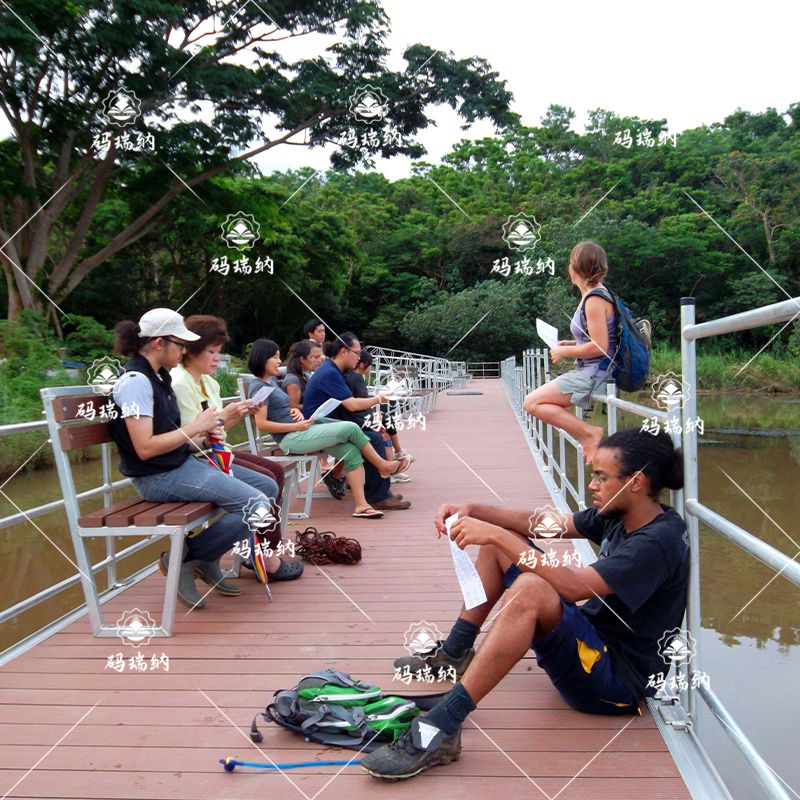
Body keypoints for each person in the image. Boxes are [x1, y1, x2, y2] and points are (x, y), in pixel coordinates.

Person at [361, 428, 688, 780]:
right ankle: (456, 652)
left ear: (636, 482)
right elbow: (544, 524)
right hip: (591, 644)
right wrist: (475, 511)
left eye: (601, 477)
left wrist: (495, 533)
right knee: (502, 546)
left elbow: (574, 587)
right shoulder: (620, 512)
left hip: (614, 684)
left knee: (532, 586)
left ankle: (443, 724)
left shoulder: (657, 541)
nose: (592, 484)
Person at [108, 308, 280, 609]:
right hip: (157, 477)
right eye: (180, 343)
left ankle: (205, 558)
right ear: (159, 343)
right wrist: (196, 427)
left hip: (180, 464)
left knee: (266, 489)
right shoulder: (136, 381)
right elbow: (145, 448)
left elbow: (175, 437)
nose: (184, 349)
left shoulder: (157, 377)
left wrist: (203, 435)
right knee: (257, 504)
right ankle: (189, 558)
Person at [170, 314, 302, 582]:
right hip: (198, 458)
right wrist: (224, 416)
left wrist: (237, 414)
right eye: (211, 351)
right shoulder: (179, 382)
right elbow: (191, 440)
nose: (217, 358)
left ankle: (263, 552)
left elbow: (216, 432)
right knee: (266, 485)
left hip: (216, 451)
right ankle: (264, 557)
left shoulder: (210, 382)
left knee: (274, 472)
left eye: (219, 351)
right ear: (191, 350)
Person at [248, 338, 410, 519]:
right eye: (274, 357)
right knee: (351, 428)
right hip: (290, 438)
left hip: (300, 429)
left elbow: (281, 409)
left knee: (350, 450)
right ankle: (383, 465)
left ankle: (361, 506)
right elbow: (261, 424)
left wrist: (294, 411)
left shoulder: (269, 383)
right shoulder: (257, 387)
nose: (279, 361)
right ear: (262, 358)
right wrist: (295, 425)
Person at [522, 240, 617, 464]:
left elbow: (600, 347)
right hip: (592, 370)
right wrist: (569, 344)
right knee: (533, 402)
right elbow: (595, 340)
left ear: (576, 267)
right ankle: (587, 434)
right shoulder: (595, 294)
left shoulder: (594, 299)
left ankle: (589, 433)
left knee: (531, 403)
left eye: (570, 262)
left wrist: (565, 354)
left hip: (594, 374)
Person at [304, 332, 411, 511]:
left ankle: (380, 492)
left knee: (371, 435)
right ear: (344, 351)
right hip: (318, 429)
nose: (359, 357)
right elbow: (352, 405)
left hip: (329, 424)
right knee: (373, 438)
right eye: (357, 353)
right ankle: (378, 494)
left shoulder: (334, 370)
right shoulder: (330, 373)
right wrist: (379, 399)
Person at [343, 351, 413, 484]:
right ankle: (393, 464)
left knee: (386, 420)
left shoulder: (350, 376)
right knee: (385, 430)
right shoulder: (356, 378)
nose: (371, 368)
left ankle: (396, 457)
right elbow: (358, 404)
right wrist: (373, 417)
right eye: (370, 365)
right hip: (355, 421)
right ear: (362, 364)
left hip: (353, 418)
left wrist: (374, 414)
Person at [283, 339, 323, 412]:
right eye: (313, 357)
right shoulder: (292, 380)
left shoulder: (305, 376)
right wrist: (317, 405)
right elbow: (293, 407)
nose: (318, 360)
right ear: (302, 359)